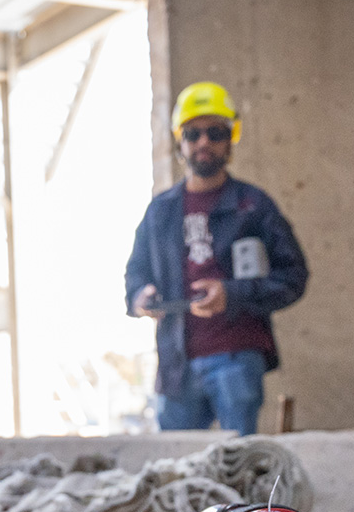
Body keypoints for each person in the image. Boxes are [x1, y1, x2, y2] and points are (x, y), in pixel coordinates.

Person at [124, 81, 309, 435]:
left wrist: (233, 294)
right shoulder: (160, 212)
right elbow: (135, 272)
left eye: (215, 132)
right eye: (193, 134)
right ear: (180, 141)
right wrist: (141, 297)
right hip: (176, 366)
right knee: (173, 475)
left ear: (231, 137)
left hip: (237, 359)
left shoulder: (253, 206)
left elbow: (293, 276)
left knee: (236, 467)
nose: (204, 142)